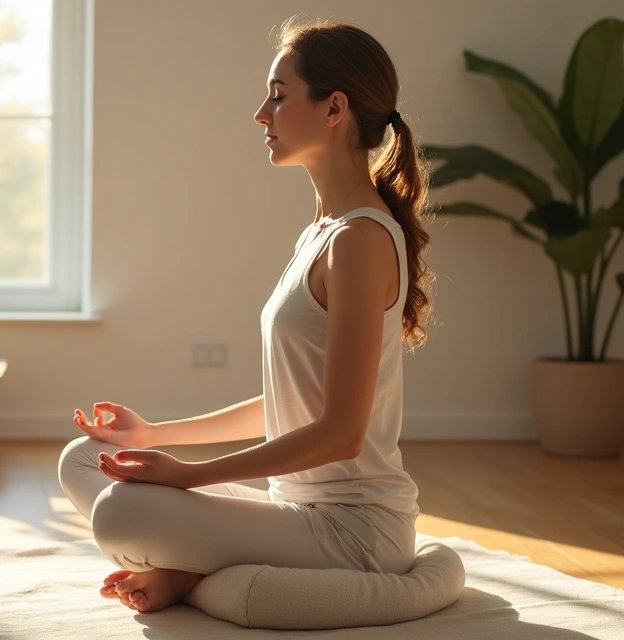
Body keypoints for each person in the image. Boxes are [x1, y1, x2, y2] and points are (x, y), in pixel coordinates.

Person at [58, 17, 434, 614]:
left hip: (355, 531)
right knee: (81, 459)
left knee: (123, 511)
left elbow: (342, 432)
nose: (262, 113)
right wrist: (153, 436)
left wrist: (184, 478)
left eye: (279, 96)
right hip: (295, 512)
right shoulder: (321, 233)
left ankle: (183, 570)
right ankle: (185, 568)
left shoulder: (359, 241)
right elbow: (289, 405)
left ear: (334, 108)